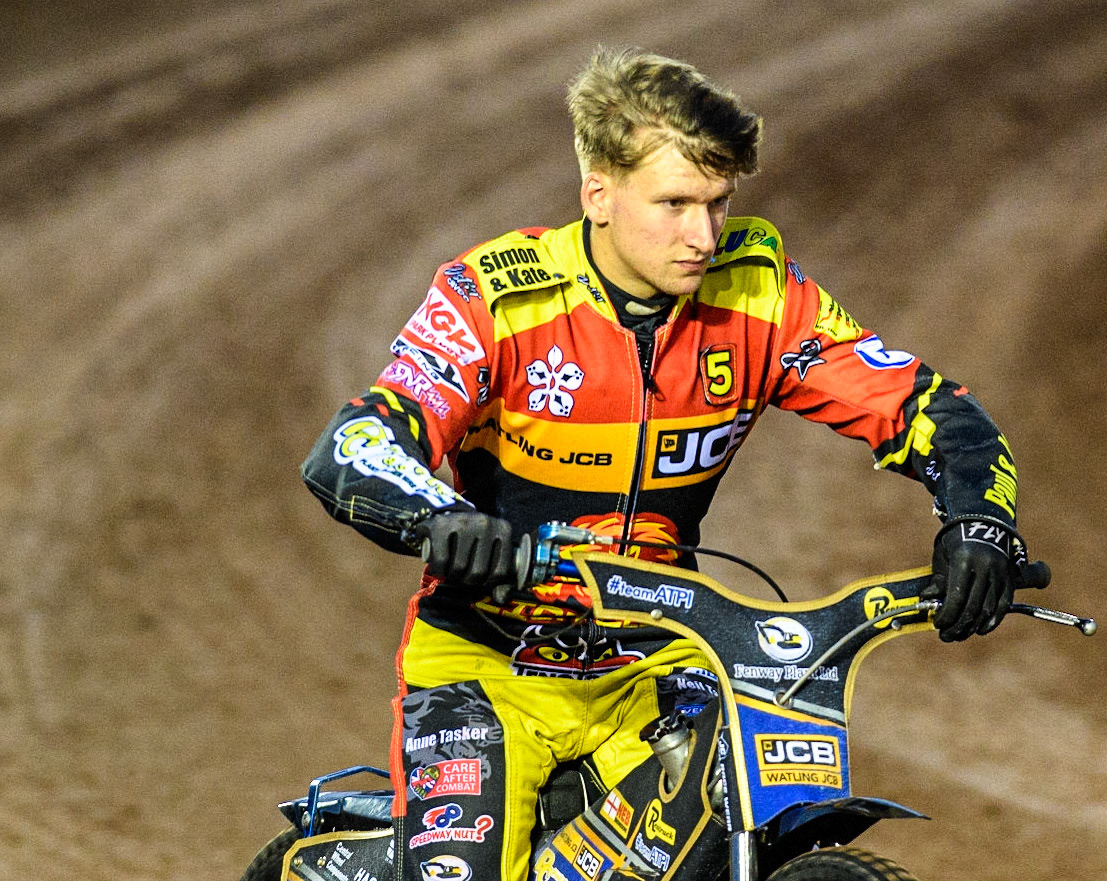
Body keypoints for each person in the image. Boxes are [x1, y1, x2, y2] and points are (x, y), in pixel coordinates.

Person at [301, 46, 1027, 881]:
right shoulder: (496, 298)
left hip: (664, 659)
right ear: (597, 194)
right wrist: (442, 520)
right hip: (488, 668)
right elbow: (356, 442)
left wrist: (979, 521)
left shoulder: (758, 296)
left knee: (741, 825)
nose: (702, 235)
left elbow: (929, 407)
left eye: (718, 204)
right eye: (675, 202)